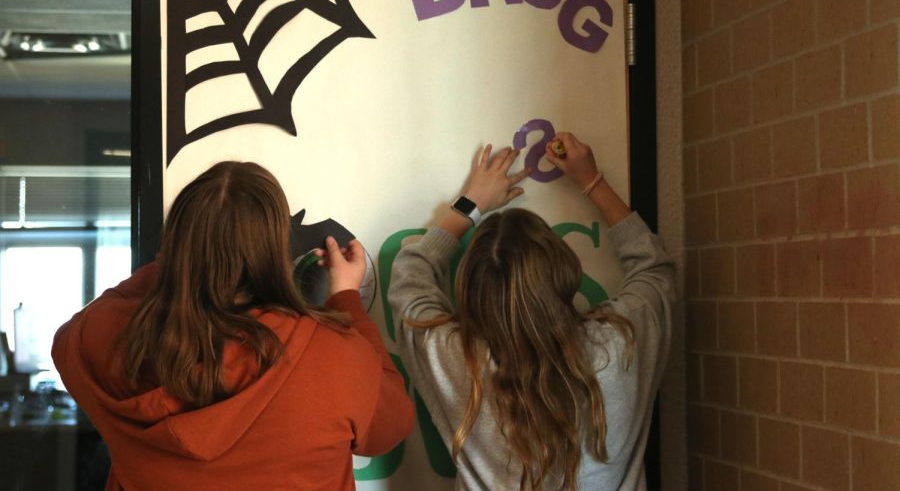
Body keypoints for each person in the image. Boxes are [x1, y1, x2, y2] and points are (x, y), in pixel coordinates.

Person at [52, 161, 413, 490]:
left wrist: (185, 264)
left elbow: (74, 332)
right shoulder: (332, 356)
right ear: (274, 250)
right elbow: (390, 425)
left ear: (178, 243)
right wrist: (346, 298)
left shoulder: (109, 342)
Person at [388, 132, 674, 490]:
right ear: (566, 271)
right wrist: (592, 181)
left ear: (470, 291)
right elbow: (653, 268)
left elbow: (410, 273)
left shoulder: (456, 360)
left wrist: (470, 204)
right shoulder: (619, 345)